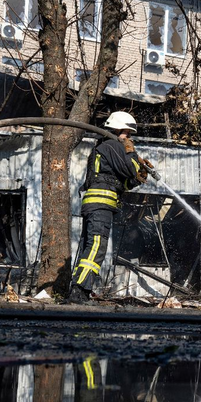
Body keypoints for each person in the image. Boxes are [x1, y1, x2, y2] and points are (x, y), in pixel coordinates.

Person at [66, 111, 152, 304]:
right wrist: (131, 153)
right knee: (97, 246)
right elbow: (130, 168)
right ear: (118, 129)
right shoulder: (112, 145)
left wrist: (138, 179)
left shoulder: (105, 147)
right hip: (100, 203)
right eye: (127, 133)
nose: (129, 138)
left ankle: (81, 290)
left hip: (99, 203)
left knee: (91, 247)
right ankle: (78, 291)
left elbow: (123, 183)